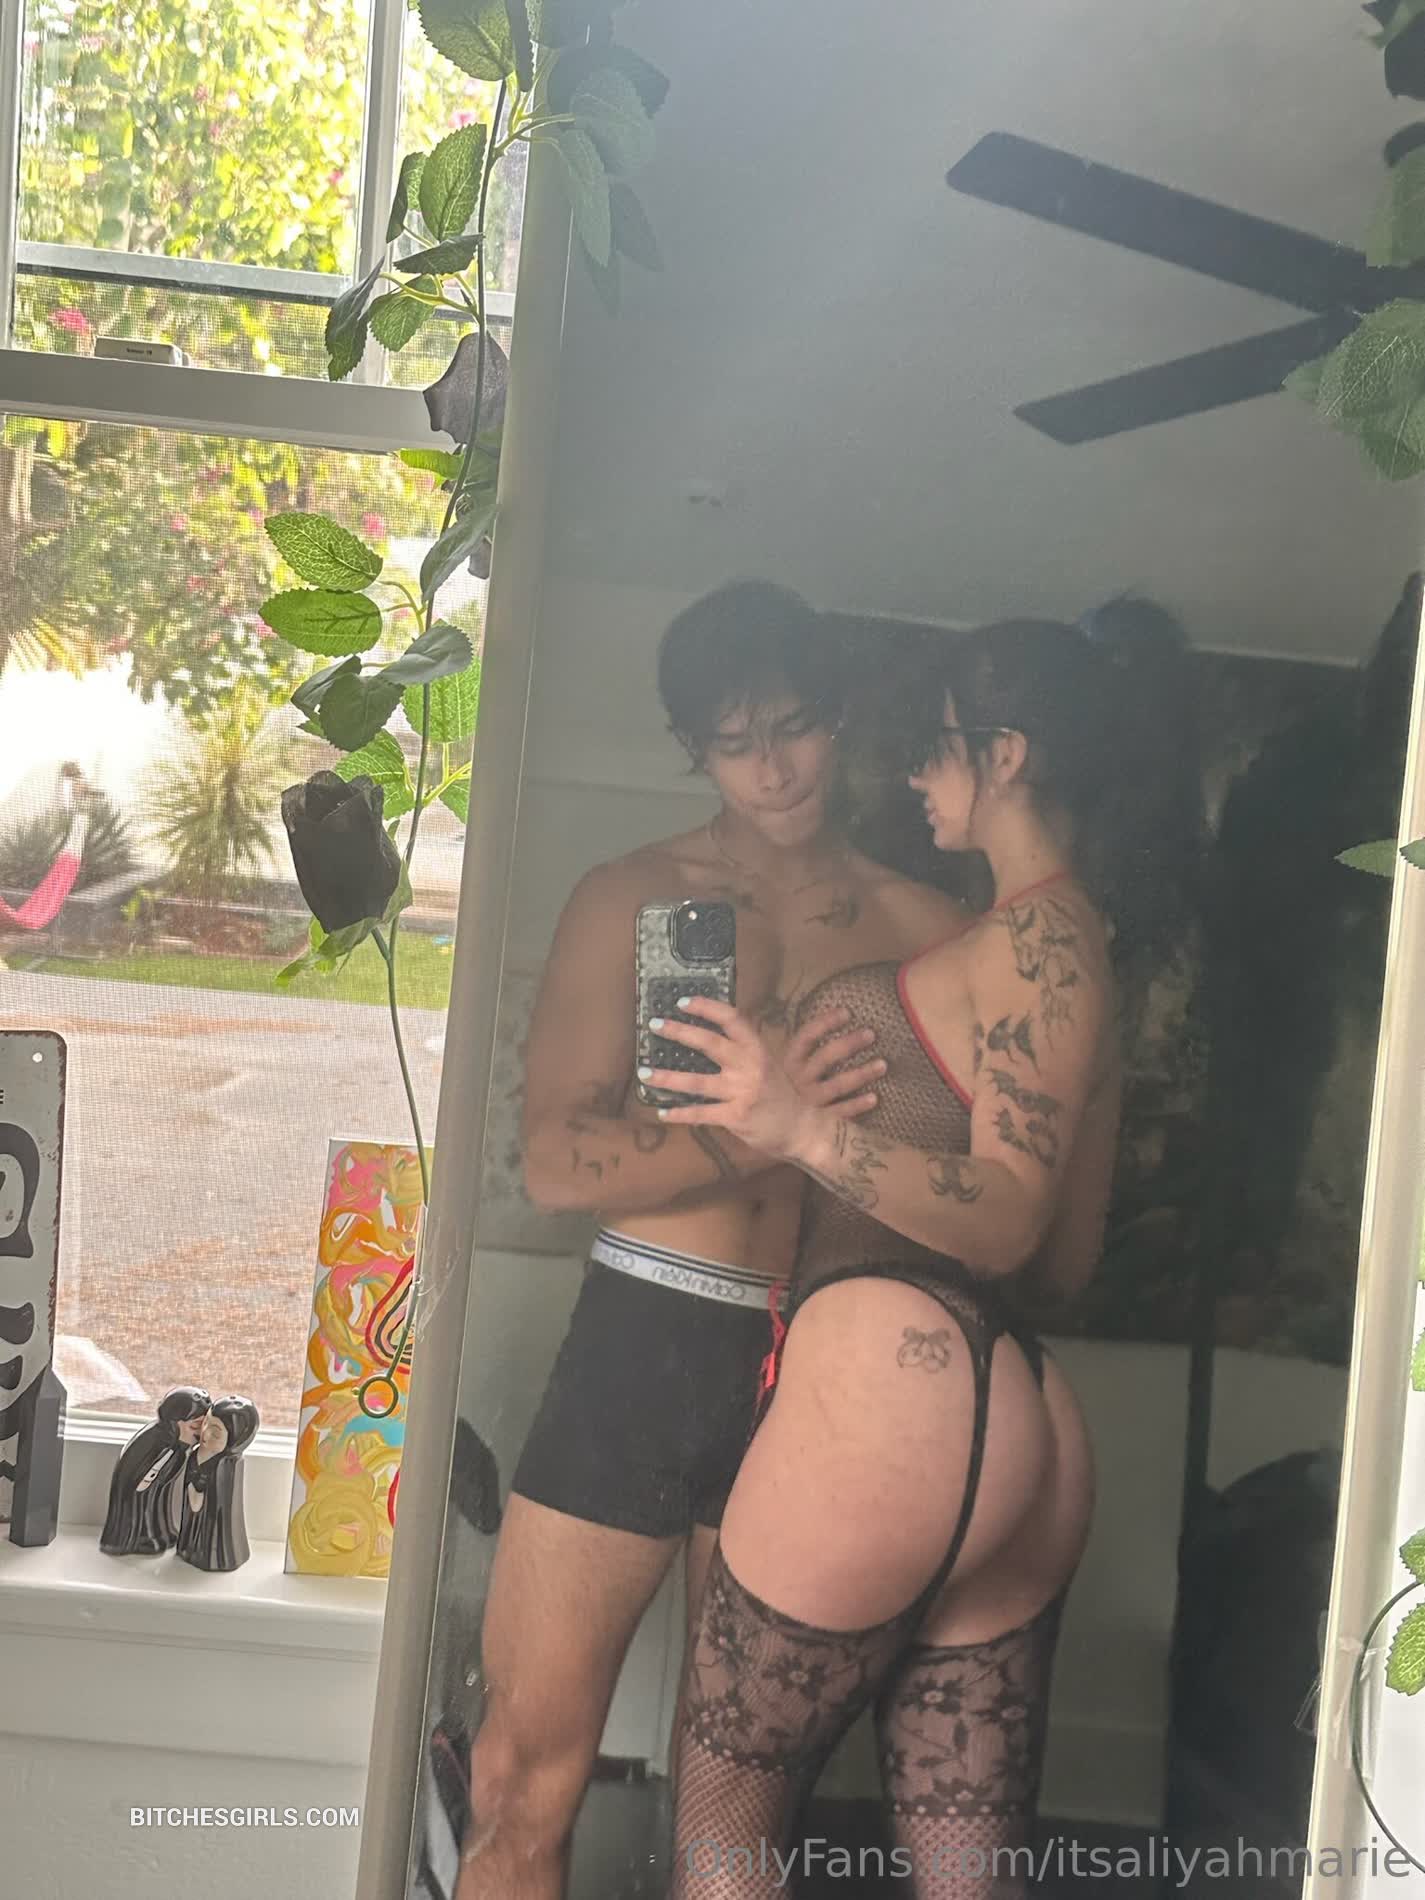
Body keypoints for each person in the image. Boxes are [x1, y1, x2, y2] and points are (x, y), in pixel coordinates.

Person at [646, 618, 1187, 1899]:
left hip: (892, 1405)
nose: (915, 774)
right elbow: (1060, 1268)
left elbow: (1007, 1219)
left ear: (1006, 753)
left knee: (724, 1830)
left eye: (940, 745)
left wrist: (798, 1125)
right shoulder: (1076, 952)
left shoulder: (1037, 941)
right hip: (1020, 1427)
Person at [458, 581, 971, 1900]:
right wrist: (772, 1129)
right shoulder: (630, 897)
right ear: (695, 749)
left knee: (736, 1828)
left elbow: (975, 1185)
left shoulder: (924, 929)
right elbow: (556, 1163)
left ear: (838, 719)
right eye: (735, 743)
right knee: (518, 1777)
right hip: (647, 1329)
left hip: (824, 1350)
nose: (773, 768)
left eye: (794, 728)